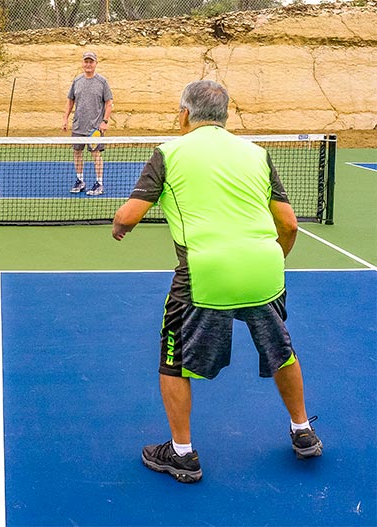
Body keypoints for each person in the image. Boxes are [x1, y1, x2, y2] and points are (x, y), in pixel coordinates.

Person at [112, 80, 322, 484]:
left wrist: (120, 227)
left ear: (185, 114)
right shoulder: (257, 155)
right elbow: (289, 225)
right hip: (264, 270)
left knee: (172, 362)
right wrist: (274, 259)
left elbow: (128, 217)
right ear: (225, 115)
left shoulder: (169, 153)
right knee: (282, 350)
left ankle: (183, 454)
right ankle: (302, 430)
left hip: (202, 276)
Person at [62, 51, 113, 196]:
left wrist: (104, 121)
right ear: (82, 63)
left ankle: (99, 183)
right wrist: (65, 119)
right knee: (77, 152)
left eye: (91, 62)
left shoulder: (102, 82)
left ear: (96, 64)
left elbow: (109, 103)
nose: (88, 64)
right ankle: (80, 180)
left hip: (95, 128)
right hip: (78, 126)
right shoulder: (77, 81)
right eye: (86, 61)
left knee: (95, 154)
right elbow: (70, 100)